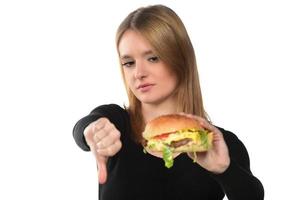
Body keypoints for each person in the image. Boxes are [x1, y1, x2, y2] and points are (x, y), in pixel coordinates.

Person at [73, 4, 264, 200]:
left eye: (153, 58)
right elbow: (86, 127)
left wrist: (225, 170)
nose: (139, 73)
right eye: (129, 63)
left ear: (180, 59)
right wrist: (93, 132)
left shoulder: (218, 143)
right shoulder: (116, 123)